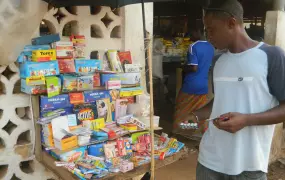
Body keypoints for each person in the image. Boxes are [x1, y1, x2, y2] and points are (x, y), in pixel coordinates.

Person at [182, 0, 285, 179]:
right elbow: (222, 98)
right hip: (209, 162)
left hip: (249, 166)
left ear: (231, 23)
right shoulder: (218, 60)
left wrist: (246, 120)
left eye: (211, 30)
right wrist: (197, 114)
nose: (208, 36)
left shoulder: (271, 56)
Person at [173, 29, 214, 133]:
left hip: (191, 85)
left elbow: (194, 68)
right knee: (198, 111)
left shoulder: (193, 46)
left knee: (181, 108)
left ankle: (179, 131)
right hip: (204, 85)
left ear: (199, 32)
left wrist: (182, 67)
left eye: (192, 32)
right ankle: (196, 132)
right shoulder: (211, 47)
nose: (190, 35)